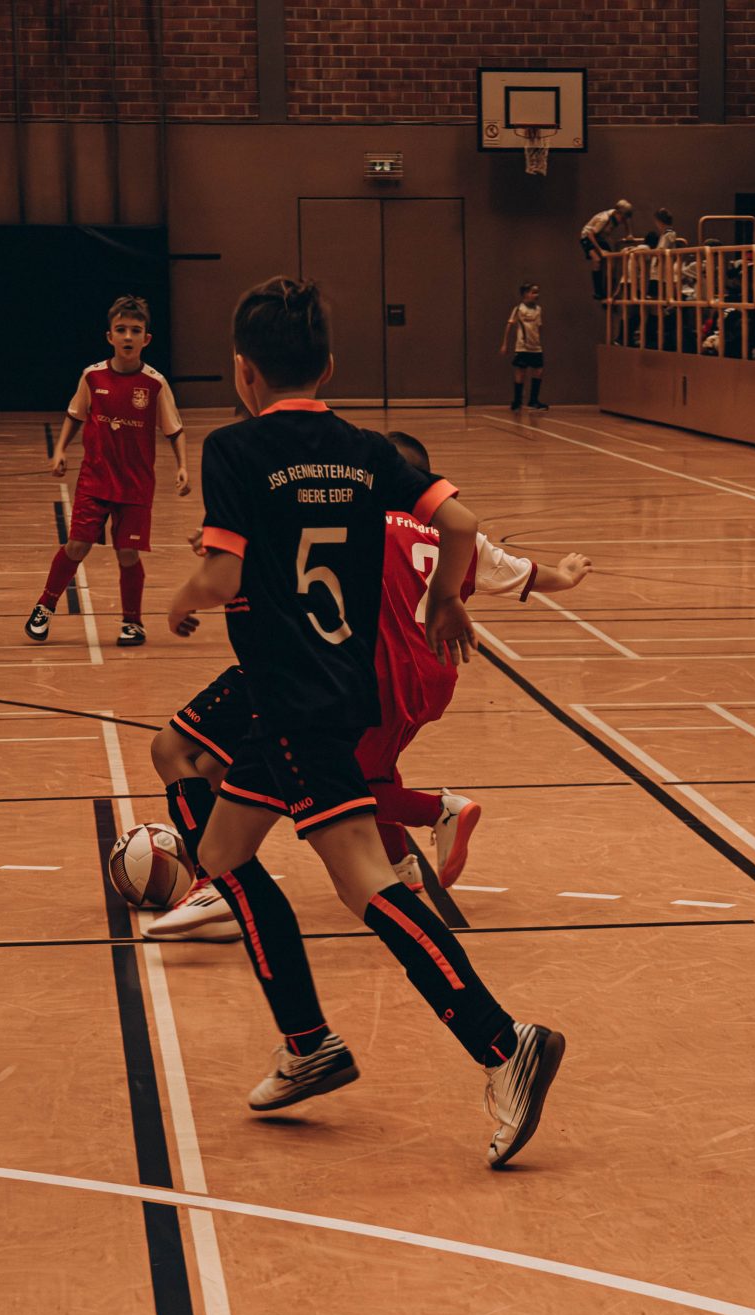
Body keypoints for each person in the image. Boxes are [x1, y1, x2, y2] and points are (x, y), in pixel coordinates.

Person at [165, 275, 564, 1166]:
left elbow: (222, 577)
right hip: (337, 690)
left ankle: (506, 1045)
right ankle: (308, 1044)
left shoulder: (234, 449)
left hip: (291, 700)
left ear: (243, 371)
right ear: (330, 366)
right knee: (222, 853)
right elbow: (459, 523)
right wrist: (446, 601)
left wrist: (182, 601)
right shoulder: (365, 448)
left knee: (365, 883)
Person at [150, 428, 594, 936]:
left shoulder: (353, 521)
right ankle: (399, 865)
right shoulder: (461, 540)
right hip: (433, 674)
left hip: (364, 669)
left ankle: (436, 812)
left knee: (326, 784)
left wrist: (224, 542)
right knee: (367, 767)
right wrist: (566, 573)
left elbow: (277, 557)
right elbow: (527, 574)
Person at [26, 295, 188, 649]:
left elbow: (174, 430)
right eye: (121, 329)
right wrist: (59, 450)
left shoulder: (155, 384)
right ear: (109, 336)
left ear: (146, 338)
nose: (128, 336)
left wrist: (182, 467)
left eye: (135, 330)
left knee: (127, 554)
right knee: (77, 545)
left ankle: (132, 622)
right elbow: (74, 414)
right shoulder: (92, 376)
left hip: (136, 485)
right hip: (95, 480)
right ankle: (45, 606)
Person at [500, 282, 546, 410]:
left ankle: (533, 400)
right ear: (526, 294)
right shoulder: (519, 309)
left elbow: (539, 326)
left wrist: (539, 340)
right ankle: (517, 401)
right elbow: (509, 325)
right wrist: (505, 344)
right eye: (533, 292)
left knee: (538, 371)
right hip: (523, 347)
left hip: (536, 347)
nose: (536, 295)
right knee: (521, 372)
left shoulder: (538, 309)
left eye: (537, 292)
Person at [580, 199, 633, 301]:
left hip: (600, 238)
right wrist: (600, 250)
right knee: (597, 260)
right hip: (588, 237)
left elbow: (627, 221)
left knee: (611, 261)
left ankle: (609, 291)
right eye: (622, 218)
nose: (622, 221)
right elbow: (590, 234)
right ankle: (598, 291)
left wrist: (629, 234)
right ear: (617, 213)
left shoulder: (619, 217)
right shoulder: (604, 219)